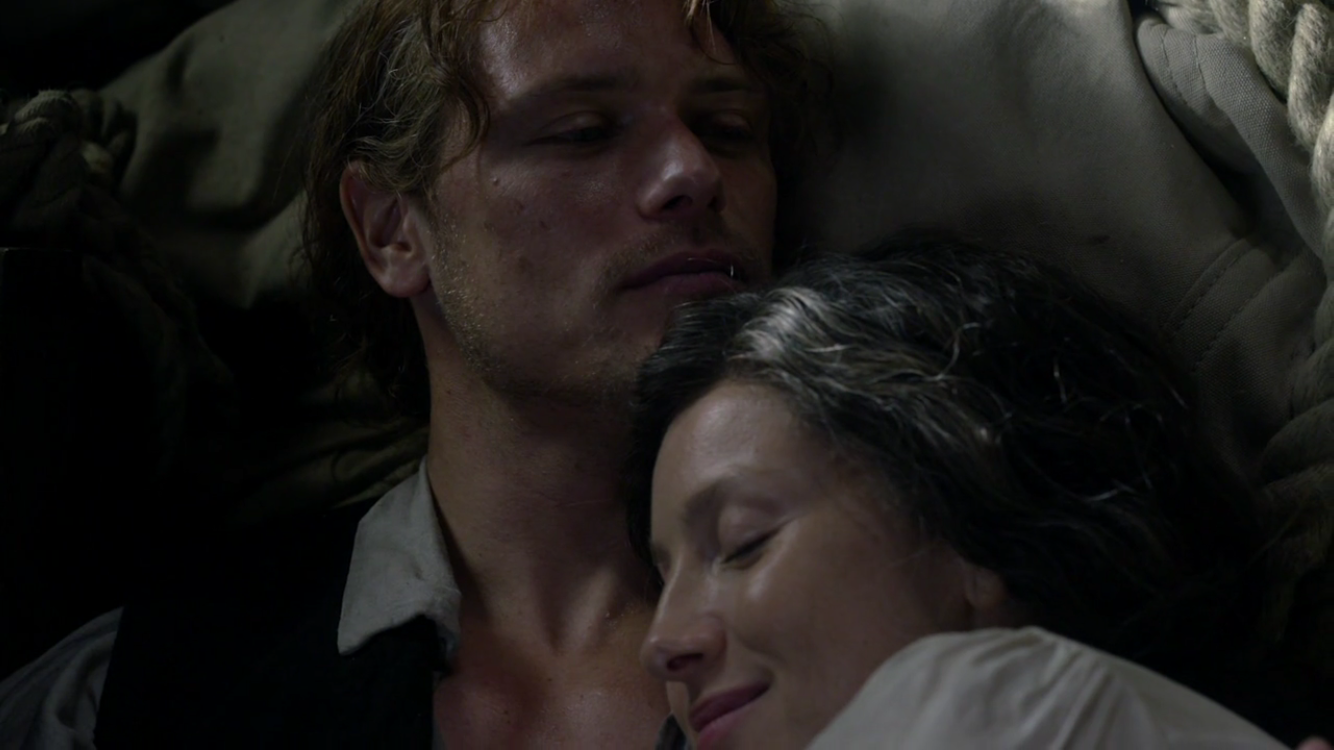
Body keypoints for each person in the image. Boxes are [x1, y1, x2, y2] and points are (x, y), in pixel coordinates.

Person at [0, 0, 825, 747]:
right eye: (583, 132)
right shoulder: (151, 679)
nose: (694, 171)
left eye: (726, 128)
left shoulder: (874, 606)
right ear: (392, 230)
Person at [625, 232, 1332, 749]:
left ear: (977, 523)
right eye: (660, 583)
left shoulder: (1021, 708)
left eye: (743, 542)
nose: (661, 644)